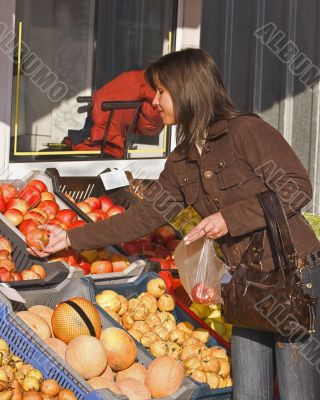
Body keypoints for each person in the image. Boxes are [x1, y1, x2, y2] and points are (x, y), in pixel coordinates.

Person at [29, 48, 320, 400]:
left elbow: (296, 186)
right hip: (244, 283)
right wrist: (71, 237)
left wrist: (229, 218)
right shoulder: (182, 160)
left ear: (186, 90)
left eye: (161, 91)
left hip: (292, 273)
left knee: (296, 390)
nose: (153, 101)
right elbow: (142, 218)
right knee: (250, 392)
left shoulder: (246, 131)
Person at [65, 69, 164, 158]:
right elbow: (149, 126)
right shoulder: (148, 88)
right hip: (107, 130)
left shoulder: (133, 76)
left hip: (99, 117)